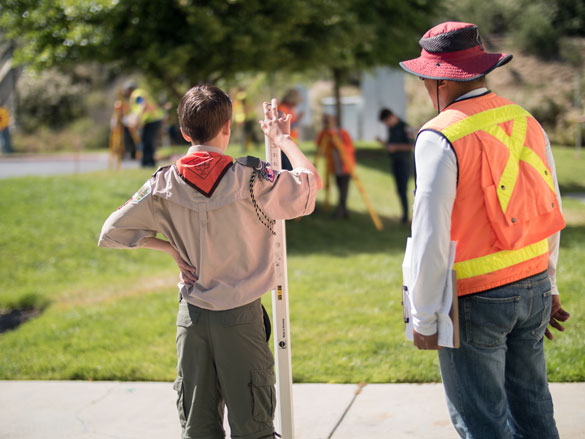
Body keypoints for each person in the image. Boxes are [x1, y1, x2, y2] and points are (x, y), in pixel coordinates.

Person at [98, 84, 321, 439]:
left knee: (197, 428)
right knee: (253, 428)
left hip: (192, 318)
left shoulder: (162, 184)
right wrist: (283, 140)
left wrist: (168, 247)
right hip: (241, 317)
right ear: (228, 127)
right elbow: (309, 186)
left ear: (184, 132)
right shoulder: (251, 178)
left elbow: (111, 231)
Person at [399, 22, 570, 439]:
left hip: (475, 299)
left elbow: (429, 233)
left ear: (436, 78)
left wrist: (423, 316)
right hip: (532, 288)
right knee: (533, 412)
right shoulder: (524, 119)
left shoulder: (439, 135)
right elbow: (550, 206)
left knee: (482, 424)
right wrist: (549, 284)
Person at [377, 108, 413, 224]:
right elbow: (390, 145)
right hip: (395, 161)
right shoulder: (391, 128)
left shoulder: (405, 127)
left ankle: (407, 216)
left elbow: (410, 146)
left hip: (404, 161)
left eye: (387, 122)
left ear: (392, 117)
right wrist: (383, 144)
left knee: (403, 189)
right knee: (399, 190)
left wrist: (395, 147)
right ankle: (404, 214)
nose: (387, 125)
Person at [316, 114, 356, 218]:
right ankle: (344, 210)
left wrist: (337, 143)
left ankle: (341, 211)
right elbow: (318, 143)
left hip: (345, 166)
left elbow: (350, 148)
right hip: (335, 166)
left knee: (343, 189)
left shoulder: (342, 133)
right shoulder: (325, 133)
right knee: (340, 188)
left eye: (329, 121)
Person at [127, 82, 164, 167]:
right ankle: (148, 162)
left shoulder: (136, 94)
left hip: (152, 120)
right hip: (151, 120)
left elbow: (142, 104)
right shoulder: (138, 93)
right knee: (147, 141)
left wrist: (137, 119)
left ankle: (148, 163)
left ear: (129, 90)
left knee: (147, 141)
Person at [278, 89, 304, 170]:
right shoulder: (282, 108)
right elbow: (284, 127)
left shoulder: (290, 108)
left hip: (291, 142)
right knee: (288, 170)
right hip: (285, 143)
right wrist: (298, 120)